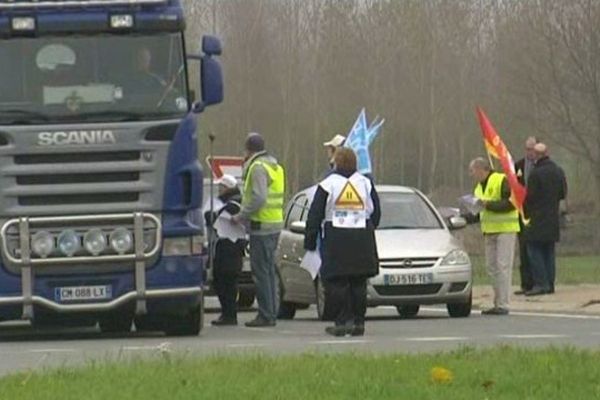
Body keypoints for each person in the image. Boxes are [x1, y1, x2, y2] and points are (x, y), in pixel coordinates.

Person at [304, 147, 380, 336]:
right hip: (362, 236)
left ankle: (342, 322)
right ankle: (359, 322)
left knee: (337, 283)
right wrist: (366, 226)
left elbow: (315, 215)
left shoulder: (328, 184)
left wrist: (310, 240)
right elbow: (376, 212)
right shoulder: (365, 183)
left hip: (336, 237)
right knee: (358, 282)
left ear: (336, 162)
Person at [234, 133, 285, 327]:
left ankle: (266, 314)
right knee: (270, 271)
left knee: (261, 272)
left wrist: (241, 215)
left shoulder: (257, 168)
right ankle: (272, 311)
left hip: (261, 225)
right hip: (275, 224)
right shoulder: (276, 167)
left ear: (248, 150)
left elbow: (259, 197)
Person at [465, 157, 520, 315]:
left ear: (482, 169)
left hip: (506, 229)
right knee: (491, 267)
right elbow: (479, 212)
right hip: (489, 230)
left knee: (503, 266)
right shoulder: (478, 188)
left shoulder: (501, 180)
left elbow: (511, 202)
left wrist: (488, 204)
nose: (472, 174)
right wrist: (463, 217)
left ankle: (503, 304)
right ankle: (497, 301)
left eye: (473, 171)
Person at [524, 143, 567, 296]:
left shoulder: (536, 173)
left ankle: (540, 284)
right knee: (549, 251)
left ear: (537, 155)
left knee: (534, 250)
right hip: (553, 216)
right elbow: (562, 193)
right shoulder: (558, 171)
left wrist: (526, 212)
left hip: (537, 217)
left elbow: (530, 197)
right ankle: (550, 284)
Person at [204, 174, 246, 326]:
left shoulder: (234, 204)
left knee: (227, 280)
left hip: (230, 246)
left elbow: (214, 217)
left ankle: (229, 314)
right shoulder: (223, 202)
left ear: (228, 188)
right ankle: (227, 313)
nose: (219, 190)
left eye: (221, 187)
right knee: (221, 280)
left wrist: (213, 213)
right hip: (224, 246)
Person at [513, 136, 537, 295]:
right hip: (521, 212)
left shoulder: (542, 166)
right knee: (523, 247)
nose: (529, 152)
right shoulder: (519, 166)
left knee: (536, 248)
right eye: (527, 149)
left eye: (532, 149)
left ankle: (538, 281)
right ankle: (525, 283)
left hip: (536, 212)